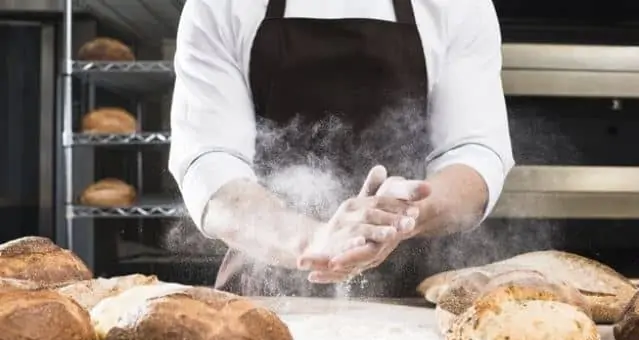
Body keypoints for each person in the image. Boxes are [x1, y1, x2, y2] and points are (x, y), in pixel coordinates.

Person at [169, 0, 515, 297]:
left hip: (417, 294)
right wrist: (312, 239)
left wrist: (402, 216)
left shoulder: (458, 5)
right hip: (263, 291)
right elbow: (210, 164)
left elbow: (475, 153)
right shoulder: (218, 5)